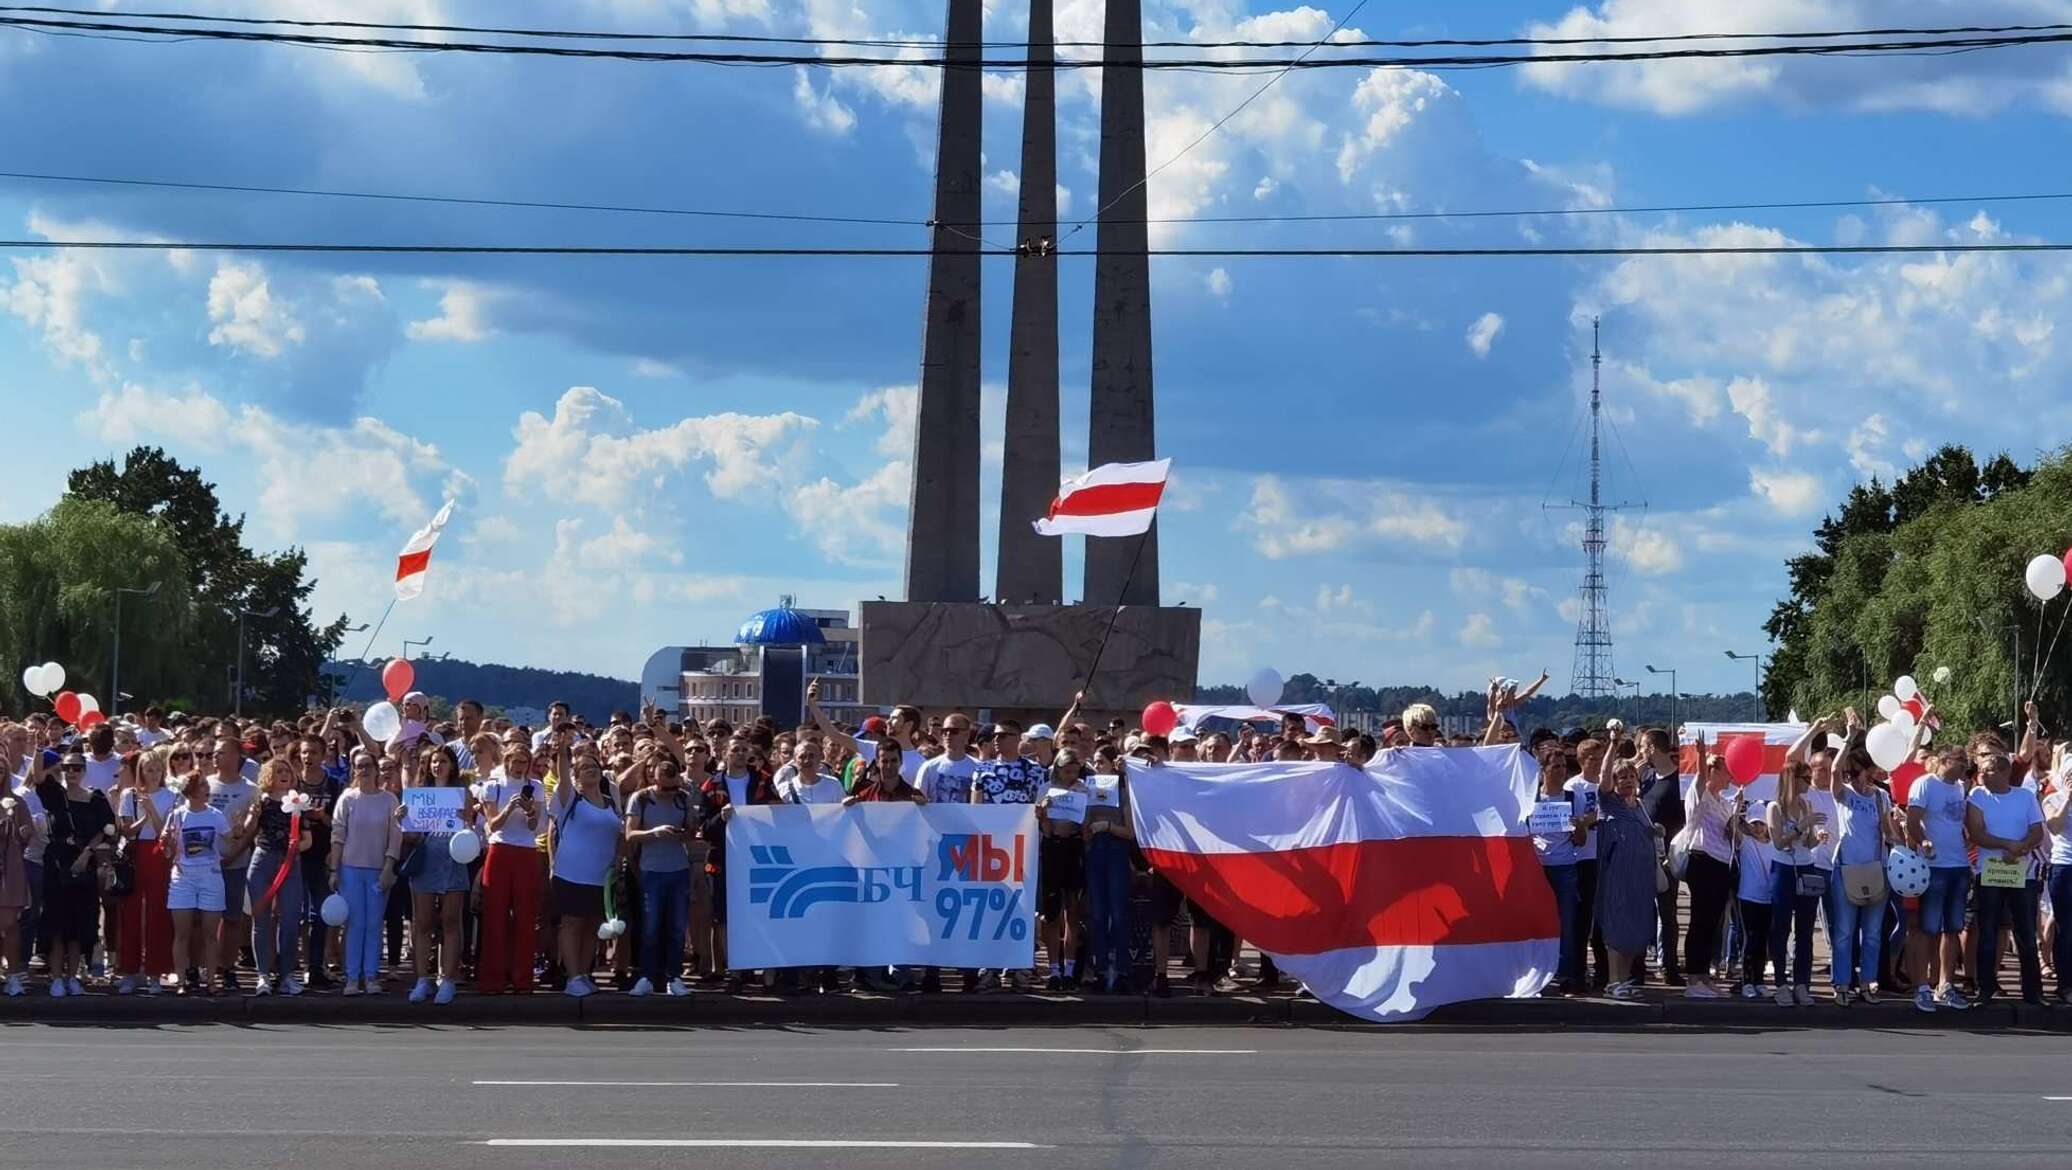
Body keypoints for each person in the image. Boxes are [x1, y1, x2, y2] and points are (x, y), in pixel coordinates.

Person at [1965, 736, 2046, 1006]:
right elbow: (1976, 832)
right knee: (1987, 931)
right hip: (1990, 873)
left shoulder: (2024, 796)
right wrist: (2005, 844)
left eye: (1988, 769)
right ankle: (1984, 989)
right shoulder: (1977, 795)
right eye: (1981, 770)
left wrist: (2022, 846)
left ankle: (2033, 993)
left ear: (2003, 772)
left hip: (2022, 873)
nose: (1982, 774)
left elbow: (2037, 830)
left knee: (2025, 933)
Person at [548, 730, 621, 998]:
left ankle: (584, 974)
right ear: (576, 777)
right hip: (571, 874)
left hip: (600, 878)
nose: (591, 770)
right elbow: (563, 772)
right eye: (585, 768)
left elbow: (617, 837)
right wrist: (564, 749)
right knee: (572, 924)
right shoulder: (571, 799)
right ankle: (573, 976)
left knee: (592, 926)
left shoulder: (612, 803)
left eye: (595, 766)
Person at [39, 747, 115, 997]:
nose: (71, 772)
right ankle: (56, 977)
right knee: (57, 924)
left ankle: (73, 976)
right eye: (66, 767)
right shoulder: (54, 794)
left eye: (76, 768)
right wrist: (39, 748)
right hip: (58, 863)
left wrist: (87, 854)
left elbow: (107, 828)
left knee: (79, 925)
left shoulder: (95, 797)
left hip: (84, 864)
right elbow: (38, 777)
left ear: (84, 771)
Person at [405, 745, 475, 1005]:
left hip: (453, 859)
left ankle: (447, 979)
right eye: (434, 761)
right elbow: (411, 836)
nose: (438, 766)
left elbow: (471, 830)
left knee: (450, 920)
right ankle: (423, 979)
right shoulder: (419, 795)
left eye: (443, 761)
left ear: (452, 765)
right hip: (426, 860)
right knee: (423, 922)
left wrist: (466, 818)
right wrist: (403, 819)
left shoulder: (462, 794)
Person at [328, 749, 401, 996]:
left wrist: (389, 867)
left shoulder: (390, 799)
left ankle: (371, 976)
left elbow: (395, 837)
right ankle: (351, 977)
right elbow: (338, 835)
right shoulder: (347, 799)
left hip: (378, 870)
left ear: (376, 768)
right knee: (355, 923)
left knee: (373, 924)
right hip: (350, 869)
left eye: (368, 765)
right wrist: (334, 869)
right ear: (353, 769)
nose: (364, 770)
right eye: (359, 766)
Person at [1908, 742, 1974, 1012]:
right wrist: (1923, 841)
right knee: (1928, 927)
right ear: (1945, 760)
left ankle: (1945, 985)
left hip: (1958, 864)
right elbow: (1913, 820)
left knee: (1953, 927)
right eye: (1960, 760)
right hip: (1934, 865)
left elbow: (1961, 823)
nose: (1964, 766)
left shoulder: (1960, 788)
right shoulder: (1925, 784)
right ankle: (1922, 986)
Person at [625, 755, 698, 997]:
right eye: (665, 788)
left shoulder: (683, 798)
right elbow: (630, 835)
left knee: (677, 927)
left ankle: (674, 976)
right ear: (654, 780)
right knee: (651, 927)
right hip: (651, 870)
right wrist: (655, 833)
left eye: (674, 787)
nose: (669, 792)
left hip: (678, 869)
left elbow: (691, 833)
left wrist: (686, 830)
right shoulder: (641, 799)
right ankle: (646, 975)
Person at [476, 740, 545, 995]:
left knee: (526, 918)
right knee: (495, 916)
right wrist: (510, 807)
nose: (518, 767)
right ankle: (492, 978)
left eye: (523, 762)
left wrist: (530, 812)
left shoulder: (535, 788)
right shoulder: (493, 787)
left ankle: (522, 978)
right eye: (514, 761)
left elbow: (536, 828)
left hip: (526, 853)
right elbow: (493, 825)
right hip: (500, 851)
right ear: (506, 762)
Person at [1828, 743, 1895, 1005]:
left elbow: (1888, 831)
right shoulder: (1843, 794)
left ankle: (1868, 983)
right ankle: (1842, 983)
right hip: (1846, 868)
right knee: (1844, 931)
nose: (1856, 775)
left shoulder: (1880, 797)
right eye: (1853, 771)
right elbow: (1834, 771)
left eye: (1861, 770)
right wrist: (1850, 738)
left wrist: (1897, 837)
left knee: (1872, 932)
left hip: (1876, 869)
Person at [1675, 737, 1736, 999]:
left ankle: (1705, 976)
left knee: (1713, 923)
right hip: (1703, 861)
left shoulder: (1724, 802)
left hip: (1722, 864)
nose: (1730, 776)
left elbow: (1731, 833)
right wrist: (1701, 755)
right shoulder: (1698, 795)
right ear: (1714, 772)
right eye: (1726, 771)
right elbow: (1700, 778)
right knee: (1699, 921)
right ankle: (1694, 978)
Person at [115, 746, 179, 995]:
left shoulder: (171, 796)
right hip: (135, 853)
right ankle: (130, 971)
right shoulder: (129, 795)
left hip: (159, 853)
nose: (153, 774)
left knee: (158, 913)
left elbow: (168, 831)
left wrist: (152, 810)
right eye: (148, 769)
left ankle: (156, 971)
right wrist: (144, 816)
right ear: (140, 771)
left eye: (156, 769)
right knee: (130, 911)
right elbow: (126, 830)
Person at [1765, 761, 1828, 1007]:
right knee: (1780, 927)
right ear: (1792, 780)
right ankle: (1781, 983)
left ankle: (1802, 983)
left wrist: (1817, 837)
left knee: (1805, 930)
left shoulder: (1807, 805)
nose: (1809, 782)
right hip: (1783, 869)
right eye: (1805, 777)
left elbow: (1808, 842)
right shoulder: (1775, 808)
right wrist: (1801, 826)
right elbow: (1779, 842)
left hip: (1805, 867)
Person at [1592, 758, 1656, 1000]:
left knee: (1635, 926)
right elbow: (1604, 774)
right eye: (1622, 777)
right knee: (1617, 925)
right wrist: (1613, 744)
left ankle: (1625, 979)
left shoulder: (1638, 805)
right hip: (1617, 874)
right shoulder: (1609, 803)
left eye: (1631, 776)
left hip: (1640, 876)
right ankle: (1613, 980)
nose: (1628, 781)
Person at [245, 758, 310, 996]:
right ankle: (263, 975)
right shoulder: (260, 801)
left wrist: (294, 848)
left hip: (290, 864)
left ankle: (286, 975)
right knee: (261, 921)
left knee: (291, 920)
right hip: (263, 860)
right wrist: (252, 816)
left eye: (286, 771)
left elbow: (307, 840)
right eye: (278, 771)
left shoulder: (297, 803)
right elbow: (248, 831)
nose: (283, 774)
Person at [163, 769, 231, 996]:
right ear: (191, 791)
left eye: (206, 784)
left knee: (210, 933)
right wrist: (168, 842)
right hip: (183, 877)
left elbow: (231, 838)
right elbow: (167, 853)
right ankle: (181, 981)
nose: (207, 788)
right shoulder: (177, 815)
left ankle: (211, 981)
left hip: (210, 876)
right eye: (202, 785)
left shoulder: (215, 815)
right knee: (181, 933)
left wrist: (246, 821)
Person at [1530, 742, 1587, 994]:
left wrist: (1580, 827)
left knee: (1567, 922)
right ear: (1543, 769)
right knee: (1538, 923)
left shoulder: (1574, 798)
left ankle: (1565, 974)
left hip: (1565, 866)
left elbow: (1581, 841)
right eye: (1555, 766)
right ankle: (1538, 973)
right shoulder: (1531, 797)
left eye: (1564, 766)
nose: (1561, 771)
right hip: (1537, 868)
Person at [205, 736, 258, 992]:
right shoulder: (204, 784)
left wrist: (234, 854)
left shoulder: (250, 789)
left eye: (221, 752)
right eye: (214, 753)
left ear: (237, 756)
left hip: (236, 864)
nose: (215, 757)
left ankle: (228, 967)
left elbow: (251, 828)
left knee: (232, 918)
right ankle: (208, 968)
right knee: (206, 919)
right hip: (205, 866)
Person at [1034, 749, 1089, 991]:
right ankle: (1054, 969)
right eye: (1067, 771)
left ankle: (1069, 969)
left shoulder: (1083, 789)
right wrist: (1042, 813)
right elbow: (1044, 829)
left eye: (1075, 772)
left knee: (1073, 910)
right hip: (1052, 846)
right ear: (1057, 769)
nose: (1071, 776)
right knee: (1052, 911)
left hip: (1075, 846)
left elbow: (1086, 827)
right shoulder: (1046, 789)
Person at [1636, 728, 1687, 986]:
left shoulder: (1678, 782)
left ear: (1653, 748)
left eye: (1644, 748)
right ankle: (1638, 966)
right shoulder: (1645, 779)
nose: (1641, 753)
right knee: (1642, 912)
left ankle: (1670, 967)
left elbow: (1686, 822)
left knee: (1667, 914)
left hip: (1667, 857)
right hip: (1643, 855)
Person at [1082, 758, 1135, 995]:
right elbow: (1083, 832)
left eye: (1102, 761)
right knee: (1097, 914)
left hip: (1115, 850)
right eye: (1095, 762)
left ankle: (1122, 971)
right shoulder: (1087, 791)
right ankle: (1101, 970)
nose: (1098, 765)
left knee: (1119, 913)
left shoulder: (1122, 792)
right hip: (1094, 851)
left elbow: (1131, 832)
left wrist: (1107, 826)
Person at [1733, 801, 1778, 998]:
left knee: (1763, 941)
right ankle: (1747, 981)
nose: (1758, 827)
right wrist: (1737, 805)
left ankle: (1759, 980)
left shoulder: (1775, 846)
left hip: (1768, 899)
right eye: (1754, 823)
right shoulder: (1746, 842)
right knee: (1750, 940)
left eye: (1761, 823)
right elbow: (1732, 827)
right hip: (1748, 898)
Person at [0, 783, 37, 995]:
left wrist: (24, 832)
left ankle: (13, 976)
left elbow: (27, 834)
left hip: (11, 865)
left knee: (9, 923)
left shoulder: (16, 802)